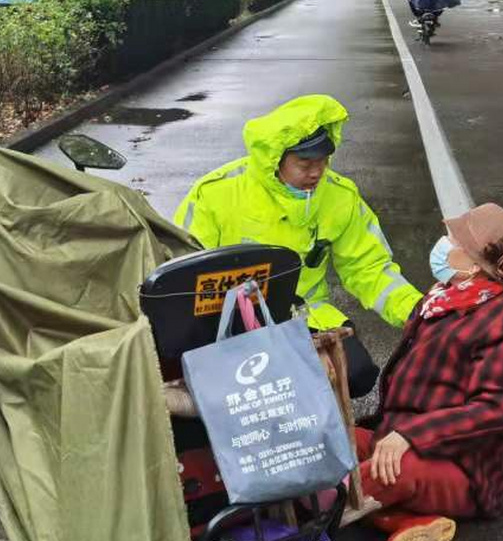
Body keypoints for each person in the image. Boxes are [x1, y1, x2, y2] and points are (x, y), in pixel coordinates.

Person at [175, 94, 422, 397]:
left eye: (323, 161)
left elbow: (369, 268)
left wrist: (420, 313)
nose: (317, 172)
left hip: (305, 316)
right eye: (304, 163)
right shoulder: (215, 193)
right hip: (226, 326)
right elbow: (182, 268)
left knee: (357, 375)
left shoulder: (340, 197)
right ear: (275, 158)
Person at [352, 203, 503, 541]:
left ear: (474, 265)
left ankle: (292, 523)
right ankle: (408, 519)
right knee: (325, 445)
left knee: (362, 481)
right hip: (404, 437)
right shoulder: (443, 298)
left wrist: (410, 436)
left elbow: (498, 408)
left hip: (463, 465)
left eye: (453, 239)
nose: (442, 243)